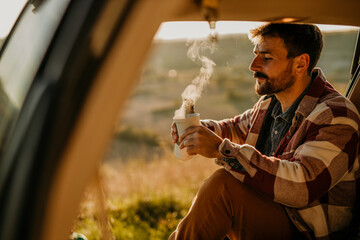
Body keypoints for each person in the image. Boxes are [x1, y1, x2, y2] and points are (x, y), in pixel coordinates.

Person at [169, 22, 360, 240]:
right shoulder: (270, 104)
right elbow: (232, 128)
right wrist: (197, 130)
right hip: (273, 212)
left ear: (300, 64)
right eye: (255, 54)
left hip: (305, 230)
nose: (253, 65)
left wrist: (223, 150)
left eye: (266, 58)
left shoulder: (336, 115)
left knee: (224, 187)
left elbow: (303, 186)